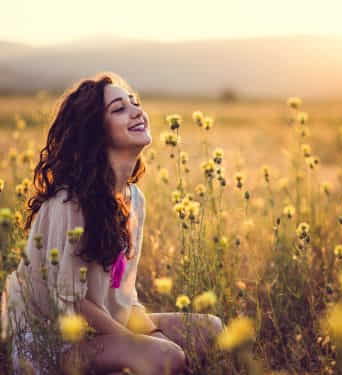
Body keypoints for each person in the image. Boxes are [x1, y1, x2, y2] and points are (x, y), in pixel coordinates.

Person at [2, 72, 225, 375]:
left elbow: (122, 295)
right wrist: (142, 344)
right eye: (119, 109)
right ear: (96, 131)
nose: (137, 112)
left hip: (106, 323)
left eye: (135, 103)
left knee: (210, 329)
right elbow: (72, 304)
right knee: (165, 357)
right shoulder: (69, 202)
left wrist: (151, 335)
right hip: (54, 341)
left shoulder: (134, 198)